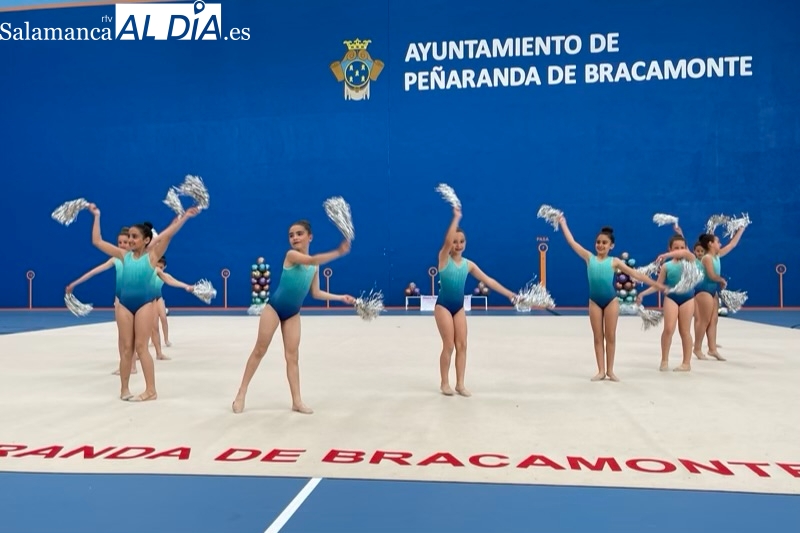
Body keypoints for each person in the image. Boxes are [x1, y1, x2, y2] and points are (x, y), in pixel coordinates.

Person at [232, 220, 354, 415]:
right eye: (291, 235)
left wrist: (340, 297)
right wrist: (338, 252)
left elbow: (316, 292)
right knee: (259, 350)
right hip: (274, 309)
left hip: (293, 314)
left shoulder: (314, 268)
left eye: (299, 233)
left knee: (292, 357)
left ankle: (297, 401)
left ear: (310, 236)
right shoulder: (292, 256)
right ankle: (241, 393)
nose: (295, 237)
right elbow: (311, 260)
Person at [88, 204, 199, 401]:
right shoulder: (123, 255)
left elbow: (167, 236)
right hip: (124, 304)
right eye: (129, 236)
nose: (130, 240)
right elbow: (97, 241)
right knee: (126, 348)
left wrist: (185, 218)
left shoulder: (152, 256)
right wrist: (97, 216)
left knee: (141, 347)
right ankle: (124, 389)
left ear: (146, 240)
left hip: (144, 305)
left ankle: (151, 390)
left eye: (134, 237)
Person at [558, 215, 665, 381]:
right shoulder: (589, 258)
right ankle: (600, 370)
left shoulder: (614, 261)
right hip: (594, 302)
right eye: (598, 242)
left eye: (604, 243)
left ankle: (610, 370)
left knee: (611, 336)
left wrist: (655, 284)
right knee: (597, 336)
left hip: (610, 302)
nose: (600, 245)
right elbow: (572, 242)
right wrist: (563, 223)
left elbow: (635, 273)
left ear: (611, 246)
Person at [434, 207, 517, 397]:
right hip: (443, 306)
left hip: (458, 308)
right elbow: (447, 241)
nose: (458, 244)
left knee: (462, 344)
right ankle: (444, 383)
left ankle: (460, 384)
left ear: (466, 243)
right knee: (449, 345)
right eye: (455, 241)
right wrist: (456, 217)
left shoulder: (468, 264)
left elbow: (489, 281)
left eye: (461, 241)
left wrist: (509, 294)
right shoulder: (443, 260)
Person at [637, 234, 698, 371]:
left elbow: (685, 253)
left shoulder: (691, 260)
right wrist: (643, 293)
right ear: (670, 248)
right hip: (671, 298)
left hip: (688, 298)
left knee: (685, 331)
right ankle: (664, 360)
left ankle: (686, 363)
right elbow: (658, 285)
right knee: (669, 329)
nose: (679, 250)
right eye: (675, 247)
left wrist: (666, 254)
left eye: (682, 247)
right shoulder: (667, 266)